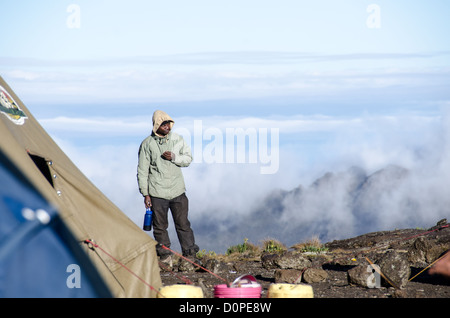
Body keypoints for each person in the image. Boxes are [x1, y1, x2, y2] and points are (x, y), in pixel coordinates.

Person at [137, 110, 199, 267]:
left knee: (183, 224)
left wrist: (174, 157)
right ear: (157, 125)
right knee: (160, 227)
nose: (167, 127)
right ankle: (165, 258)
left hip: (178, 191)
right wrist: (146, 194)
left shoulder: (177, 139)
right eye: (164, 124)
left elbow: (188, 159)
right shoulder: (147, 144)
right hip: (157, 193)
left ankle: (190, 256)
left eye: (168, 124)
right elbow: (142, 171)